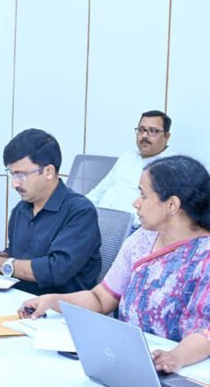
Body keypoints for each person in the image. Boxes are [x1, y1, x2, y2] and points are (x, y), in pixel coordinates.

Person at [21, 155, 210, 373]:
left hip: (184, 369)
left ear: (172, 204)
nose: (136, 203)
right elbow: (101, 298)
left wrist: (176, 357)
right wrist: (53, 301)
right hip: (128, 358)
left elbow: (206, 331)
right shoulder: (142, 239)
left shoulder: (204, 255)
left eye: (143, 195)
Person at [0, 128, 101, 295]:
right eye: (12, 174)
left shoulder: (80, 212)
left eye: (21, 175)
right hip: (17, 297)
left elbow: (55, 270)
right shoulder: (22, 209)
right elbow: (16, 255)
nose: (14, 184)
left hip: (58, 305)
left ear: (48, 172)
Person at [87, 110, 173, 227]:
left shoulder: (172, 166)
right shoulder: (127, 157)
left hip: (131, 229)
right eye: (141, 130)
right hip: (98, 219)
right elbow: (101, 189)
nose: (144, 136)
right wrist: (80, 208)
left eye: (153, 131)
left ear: (167, 136)